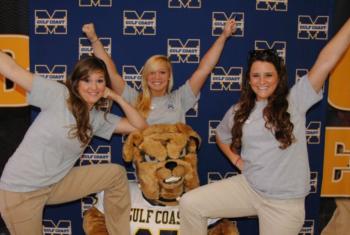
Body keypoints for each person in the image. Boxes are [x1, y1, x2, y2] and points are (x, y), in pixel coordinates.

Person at [179, 18, 350, 235]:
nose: (262, 81)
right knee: (190, 203)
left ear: (279, 78)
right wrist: (236, 160)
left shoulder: (295, 101)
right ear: (249, 81)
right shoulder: (238, 111)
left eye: (268, 75)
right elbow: (221, 136)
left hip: (284, 205)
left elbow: (327, 60)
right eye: (256, 76)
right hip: (249, 188)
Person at [0, 52, 148, 235]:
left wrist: (117, 98)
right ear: (76, 83)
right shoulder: (58, 95)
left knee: (116, 174)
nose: (94, 87)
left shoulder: (96, 119)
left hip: (55, 183)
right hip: (21, 191)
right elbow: (12, 69)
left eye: (100, 81)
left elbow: (139, 126)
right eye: (87, 80)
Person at [82, 19, 236, 124]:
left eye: (162, 72)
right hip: (146, 169)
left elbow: (204, 69)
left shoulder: (180, 98)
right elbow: (111, 73)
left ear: (169, 77)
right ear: (145, 76)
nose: (157, 77)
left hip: (177, 167)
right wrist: (94, 39)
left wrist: (223, 36)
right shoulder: (134, 99)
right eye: (152, 72)